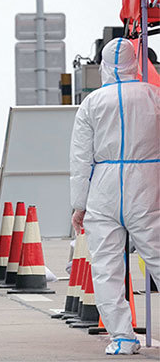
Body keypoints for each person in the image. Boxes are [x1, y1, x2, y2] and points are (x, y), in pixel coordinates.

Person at [70, 38, 160, 355]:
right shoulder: (155, 96)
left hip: (104, 189)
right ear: (136, 63)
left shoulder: (92, 104)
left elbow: (81, 160)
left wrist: (79, 205)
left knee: (106, 267)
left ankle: (122, 337)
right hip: (148, 183)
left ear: (105, 65)